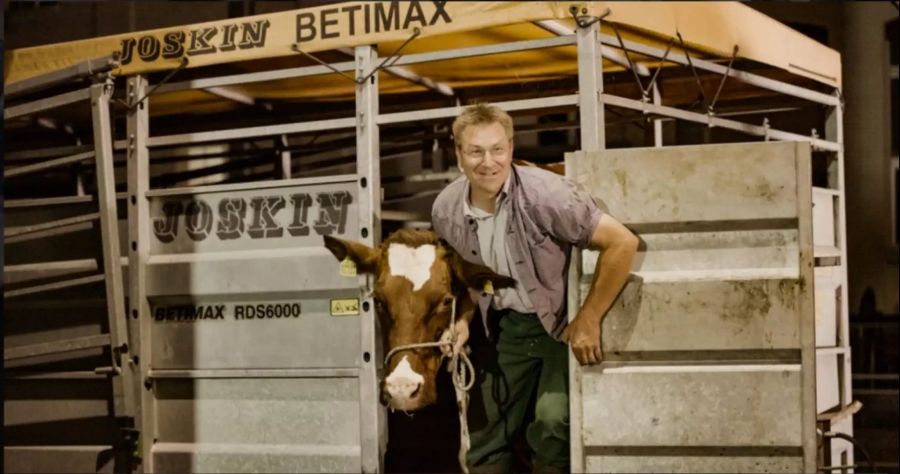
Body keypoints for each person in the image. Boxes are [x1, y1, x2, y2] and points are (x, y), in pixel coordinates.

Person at [431, 103, 638, 473]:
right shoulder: (446, 210)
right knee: (483, 431)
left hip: (559, 326)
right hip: (508, 326)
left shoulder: (547, 196)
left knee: (552, 422)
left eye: (497, 149)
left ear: (511, 148)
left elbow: (622, 243)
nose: (488, 162)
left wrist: (589, 318)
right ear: (459, 154)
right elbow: (466, 275)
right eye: (475, 151)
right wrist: (462, 319)